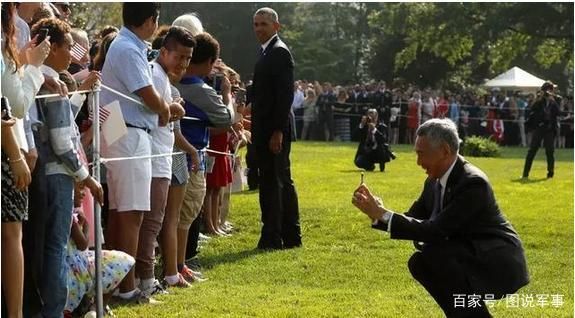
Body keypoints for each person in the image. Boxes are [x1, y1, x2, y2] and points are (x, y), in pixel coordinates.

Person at [352, 118, 529, 317]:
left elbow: (436, 231)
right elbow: (413, 218)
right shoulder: (433, 180)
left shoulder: (473, 183)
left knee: (436, 255)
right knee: (421, 262)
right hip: (466, 255)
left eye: (421, 154)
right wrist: (376, 212)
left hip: (496, 262)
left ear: (444, 150)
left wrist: (383, 214)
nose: (418, 163)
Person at [251, 7, 301, 250]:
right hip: (267, 127)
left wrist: (278, 131)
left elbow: (285, 95)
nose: (259, 28)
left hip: (273, 130)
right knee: (277, 180)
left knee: (274, 182)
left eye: (264, 24)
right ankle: (288, 235)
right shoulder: (267, 52)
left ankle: (274, 235)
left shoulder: (279, 52)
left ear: (276, 26)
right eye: (256, 24)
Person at [522, 81, 560, 179]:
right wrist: (539, 98)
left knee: (550, 151)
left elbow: (558, 112)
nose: (547, 93)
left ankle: (550, 173)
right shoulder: (538, 101)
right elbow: (532, 111)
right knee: (532, 151)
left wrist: (552, 99)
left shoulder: (555, 100)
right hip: (539, 128)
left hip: (550, 129)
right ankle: (525, 173)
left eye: (549, 90)